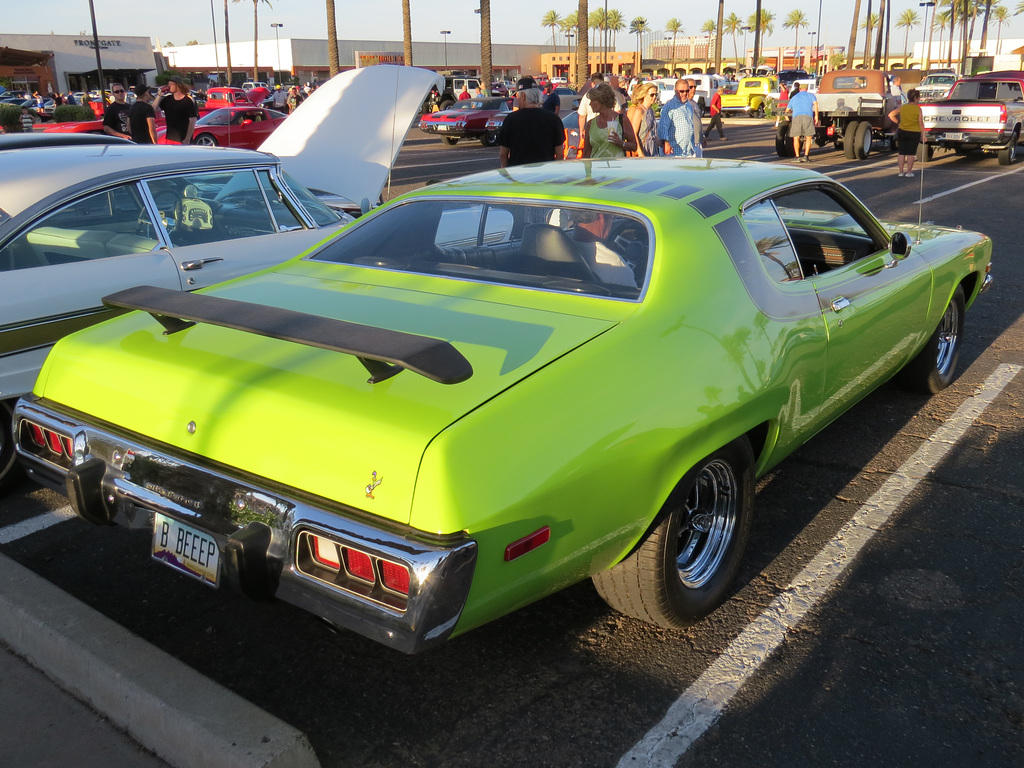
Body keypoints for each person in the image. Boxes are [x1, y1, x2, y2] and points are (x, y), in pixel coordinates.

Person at [498, 77, 565, 167]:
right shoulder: (554, 119)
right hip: (545, 175)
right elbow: (560, 153)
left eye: (517, 96)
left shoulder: (511, 119)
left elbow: (503, 154)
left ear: (523, 96)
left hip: (518, 174)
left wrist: (507, 174)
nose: (517, 100)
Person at [581, 83, 637, 159]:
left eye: (593, 101)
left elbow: (634, 146)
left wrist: (622, 143)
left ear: (603, 100)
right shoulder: (590, 124)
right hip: (596, 168)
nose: (590, 104)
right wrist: (587, 170)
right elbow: (586, 153)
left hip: (617, 167)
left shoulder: (622, 120)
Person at [888, 88, 923, 178]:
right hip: (914, 132)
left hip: (902, 130)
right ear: (915, 98)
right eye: (918, 97)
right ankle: (909, 172)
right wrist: (923, 135)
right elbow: (921, 123)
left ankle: (900, 171)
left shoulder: (903, 107)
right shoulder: (918, 109)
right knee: (911, 153)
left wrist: (898, 122)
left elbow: (891, 115)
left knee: (902, 152)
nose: (919, 99)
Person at [658, 79, 697, 157]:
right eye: (681, 91)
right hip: (674, 152)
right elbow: (663, 126)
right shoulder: (669, 106)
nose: (685, 93)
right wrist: (665, 142)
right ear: (675, 91)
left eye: (687, 91)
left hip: (689, 151)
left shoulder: (688, 106)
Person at [157, 75, 198, 145]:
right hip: (170, 138)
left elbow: (192, 120)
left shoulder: (187, 101)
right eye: (168, 84)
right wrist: (159, 95)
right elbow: (154, 108)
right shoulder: (167, 99)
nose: (168, 86)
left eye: (171, 84)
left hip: (183, 139)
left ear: (178, 85)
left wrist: (187, 139)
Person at [785, 82, 818, 162]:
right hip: (808, 116)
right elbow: (816, 104)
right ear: (807, 89)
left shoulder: (795, 97)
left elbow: (787, 109)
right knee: (808, 137)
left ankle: (797, 156)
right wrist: (816, 116)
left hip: (797, 117)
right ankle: (806, 156)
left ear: (799, 89)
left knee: (796, 137)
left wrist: (786, 116)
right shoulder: (811, 96)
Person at [626, 81, 659, 157]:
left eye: (656, 95)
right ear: (644, 95)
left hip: (653, 148)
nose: (654, 97)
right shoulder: (639, 111)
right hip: (643, 147)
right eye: (652, 95)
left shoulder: (651, 111)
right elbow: (634, 133)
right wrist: (640, 152)